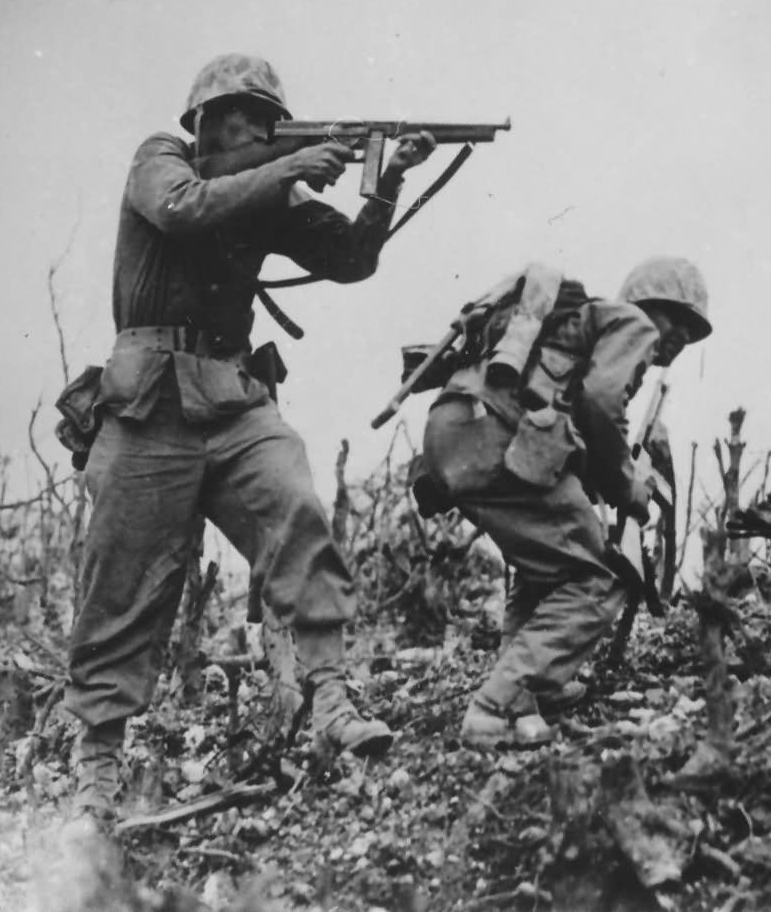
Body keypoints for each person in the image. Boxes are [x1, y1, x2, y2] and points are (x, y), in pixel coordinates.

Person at [64, 53, 435, 819]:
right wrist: (291, 164)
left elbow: (348, 259)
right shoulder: (160, 158)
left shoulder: (269, 190)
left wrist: (387, 180)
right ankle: (97, 763)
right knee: (121, 583)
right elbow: (183, 208)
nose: (258, 131)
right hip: (148, 408)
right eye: (244, 117)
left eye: (269, 120)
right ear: (203, 120)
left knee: (296, 511)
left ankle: (329, 699)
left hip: (234, 401)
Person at [416, 256, 712, 747]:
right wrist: (627, 486)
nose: (680, 337)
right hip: (495, 436)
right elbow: (601, 401)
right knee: (599, 577)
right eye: (676, 320)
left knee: (547, 565)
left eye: (690, 330)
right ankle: (498, 705)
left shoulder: (578, 331)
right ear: (647, 305)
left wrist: (599, 473)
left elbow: (571, 415)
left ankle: (531, 690)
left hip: (455, 431)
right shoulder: (632, 324)